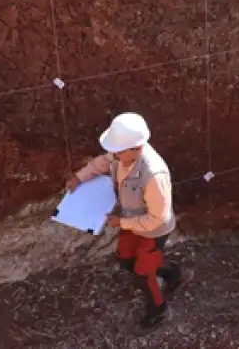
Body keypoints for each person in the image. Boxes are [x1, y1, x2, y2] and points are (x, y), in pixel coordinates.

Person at [66, 112, 182, 328]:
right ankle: (171, 271)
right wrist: (80, 177)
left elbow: (157, 218)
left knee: (142, 275)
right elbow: (102, 162)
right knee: (126, 260)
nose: (113, 155)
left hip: (152, 231)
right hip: (130, 222)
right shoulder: (121, 154)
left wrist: (121, 223)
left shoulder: (154, 176)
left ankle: (158, 310)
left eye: (117, 151)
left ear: (136, 148)